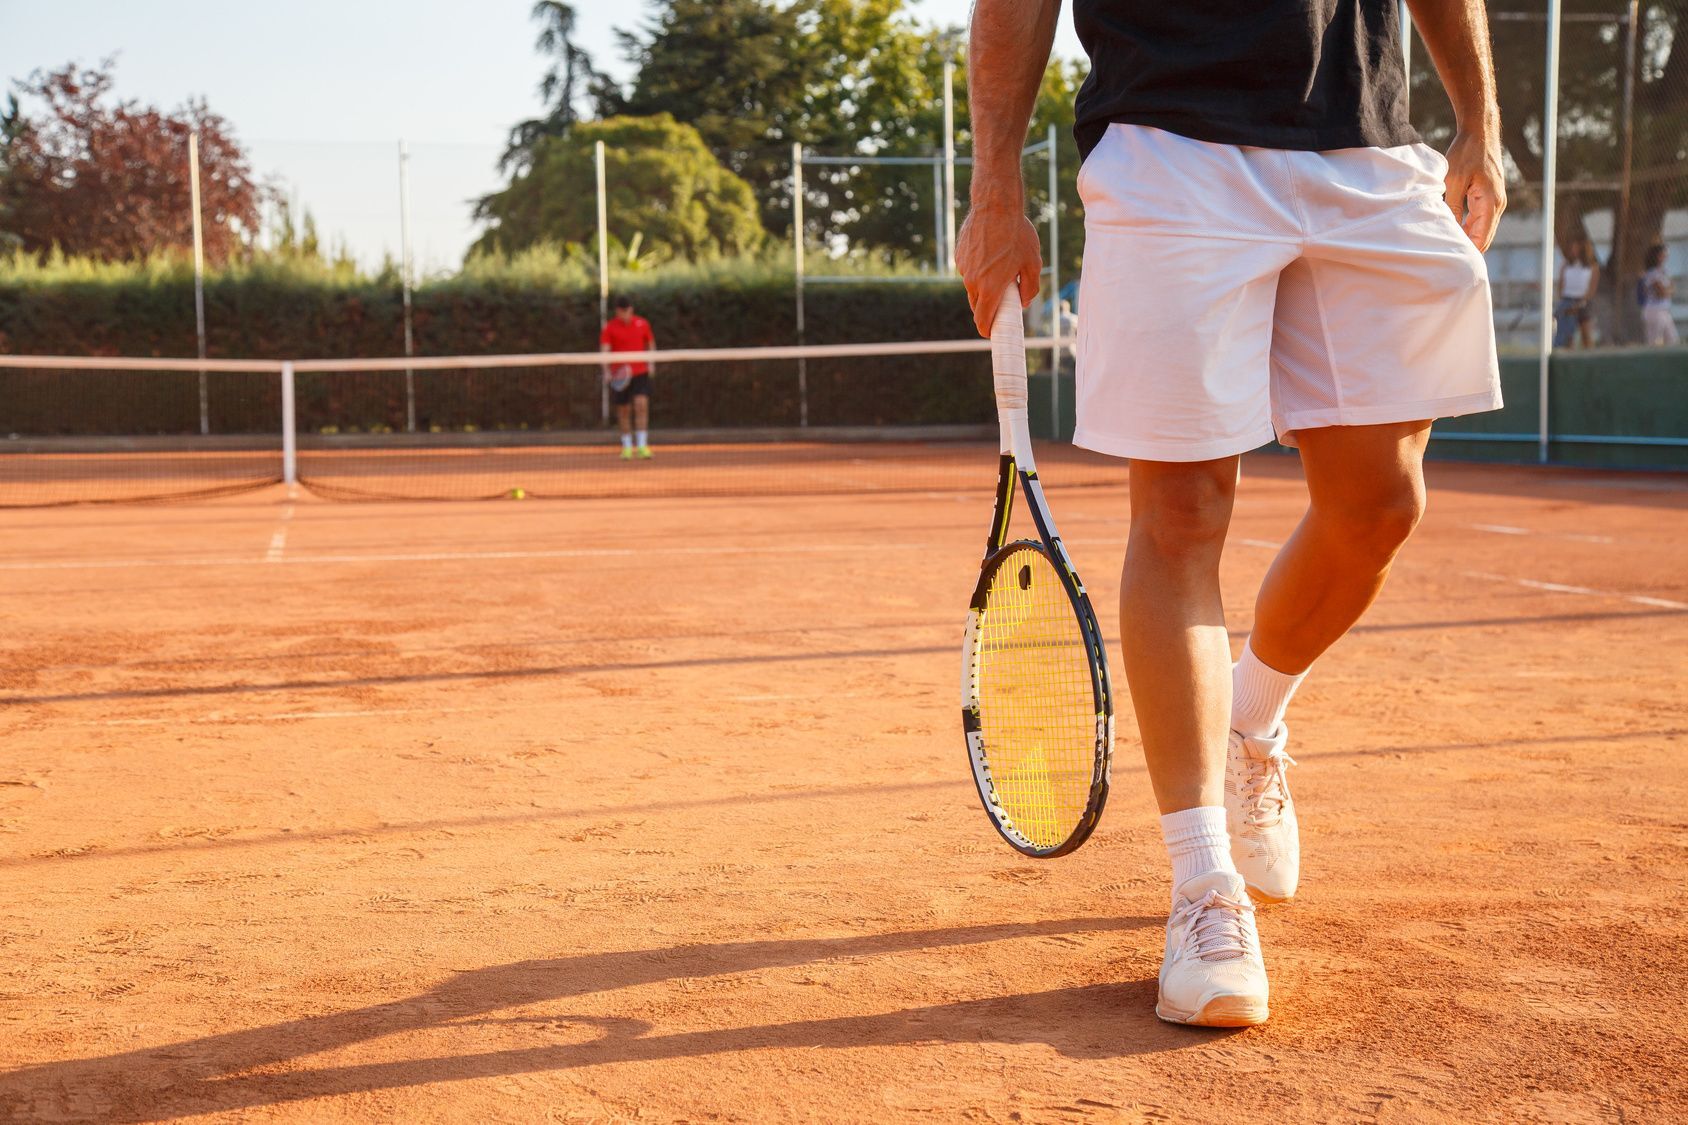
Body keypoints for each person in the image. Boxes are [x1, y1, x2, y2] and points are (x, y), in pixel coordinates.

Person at [958, 0, 1504, 1028]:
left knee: (1379, 505)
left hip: (1368, 148)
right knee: (1179, 510)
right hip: (1168, 145)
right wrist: (994, 184)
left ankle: (1249, 720)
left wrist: (1477, 119)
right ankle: (1203, 887)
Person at [600, 295, 657, 460]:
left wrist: (652, 362)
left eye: (628, 310)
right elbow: (605, 349)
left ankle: (642, 446)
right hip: (619, 375)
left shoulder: (642, 323)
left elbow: (650, 344)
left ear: (632, 309)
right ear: (617, 311)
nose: (625, 313)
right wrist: (606, 370)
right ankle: (626, 447)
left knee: (641, 405)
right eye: (622, 310)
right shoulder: (609, 328)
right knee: (623, 410)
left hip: (640, 372)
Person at [1554, 238, 1600, 349]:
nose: (1573, 250)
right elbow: (1561, 285)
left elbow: (1592, 289)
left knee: (1586, 333)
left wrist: (1580, 302)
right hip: (1568, 300)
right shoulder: (1566, 265)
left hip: (1583, 302)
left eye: (1577, 247)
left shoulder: (1593, 267)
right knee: (1567, 334)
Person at [1640, 243, 1679, 347]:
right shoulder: (1651, 273)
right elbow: (1661, 293)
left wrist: (1668, 290)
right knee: (1654, 342)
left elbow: (1672, 289)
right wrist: (1668, 290)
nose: (1665, 257)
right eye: (1663, 254)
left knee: (1672, 340)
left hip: (1665, 311)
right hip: (1654, 311)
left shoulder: (1663, 272)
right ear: (1656, 256)